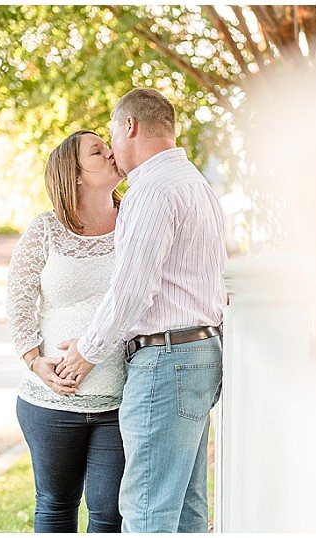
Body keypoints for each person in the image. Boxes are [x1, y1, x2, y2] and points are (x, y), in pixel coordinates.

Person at [54, 88, 227, 533]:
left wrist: (86, 352)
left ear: (129, 126)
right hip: (199, 353)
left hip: (166, 362)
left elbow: (132, 290)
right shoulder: (196, 184)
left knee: (147, 512)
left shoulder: (152, 189)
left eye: (110, 134)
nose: (110, 148)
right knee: (186, 511)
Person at [6, 130, 127, 533]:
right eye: (98, 151)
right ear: (74, 175)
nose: (111, 152)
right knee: (56, 507)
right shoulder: (44, 230)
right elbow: (19, 303)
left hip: (120, 403)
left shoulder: (135, 222)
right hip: (49, 405)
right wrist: (34, 361)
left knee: (110, 513)